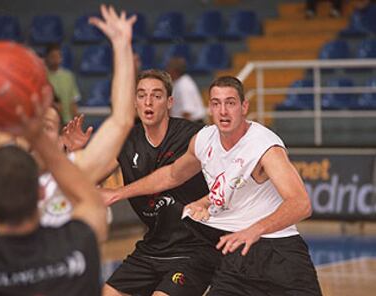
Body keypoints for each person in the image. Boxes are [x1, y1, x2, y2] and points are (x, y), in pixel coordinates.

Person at [100, 76, 323, 295]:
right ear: (209, 108)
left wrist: (255, 230)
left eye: (230, 103)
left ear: (244, 107)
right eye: (216, 103)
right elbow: (171, 175)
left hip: (278, 251)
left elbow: (301, 204)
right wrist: (119, 193)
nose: (223, 111)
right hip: (233, 250)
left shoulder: (264, 146)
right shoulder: (204, 140)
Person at [0, 1, 136, 237]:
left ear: (60, 140)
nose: (36, 128)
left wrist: (122, 46)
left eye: (45, 126)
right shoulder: (1, 156)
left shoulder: (69, 171)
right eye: (34, 118)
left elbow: (123, 122)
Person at [78, 69, 219, 296]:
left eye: (156, 95)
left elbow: (177, 175)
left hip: (195, 247)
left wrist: (117, 193)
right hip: (153, 247)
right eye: (142, 95)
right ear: (134, 102)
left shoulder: (193, 136)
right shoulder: (126, 142)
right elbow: (84, 182)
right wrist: (77, 152)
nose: (148, 102)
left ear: (170, 101)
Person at [0, 96, 107, 295]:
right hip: (50, 269)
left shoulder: (66, 174)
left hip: (5, 268)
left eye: (46, 126)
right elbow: (122, 124)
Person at [45, 43, 81, 123]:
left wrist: (76, 118)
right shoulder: (42, 75)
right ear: (47, 57)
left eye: (57, 56)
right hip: (48, 121)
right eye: (52, 56)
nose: (55, 59)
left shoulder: (68, 76)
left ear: (61, 58)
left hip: (66, 120)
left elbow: (73, 100)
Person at [166, 57, 207, 124]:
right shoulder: (178, 82)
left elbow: (187, 112)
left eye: (168, 68)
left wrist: (183, 131)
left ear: (175, 71)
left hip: (193, 124)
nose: (167, 71)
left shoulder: (184, 85)